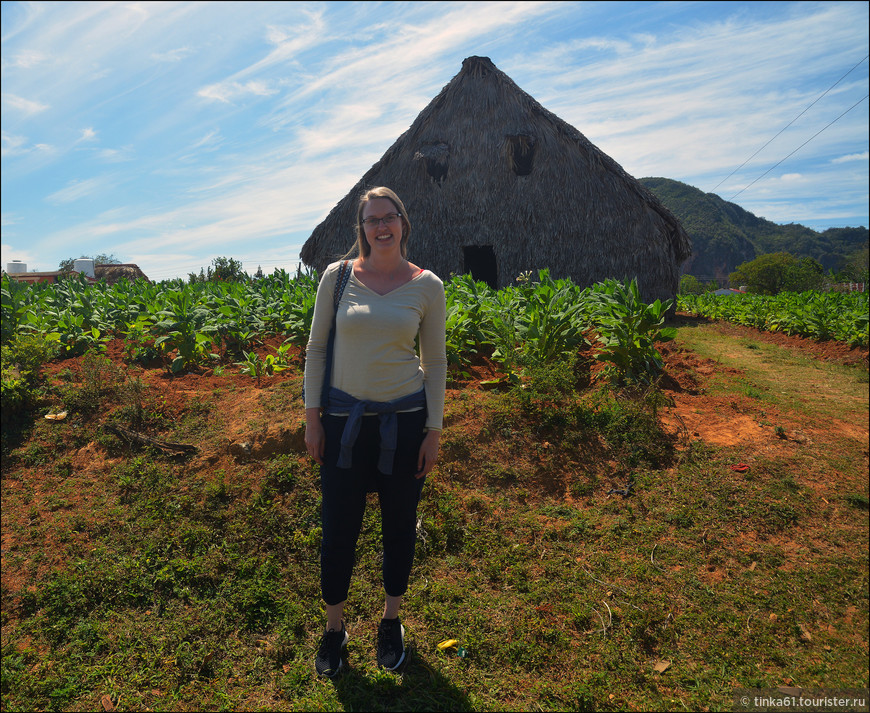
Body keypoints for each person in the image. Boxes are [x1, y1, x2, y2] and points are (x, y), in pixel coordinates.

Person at [303, 186, 447, 678]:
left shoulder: (428, 285)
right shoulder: (338, 278)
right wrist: (313, 418)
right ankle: (334, 628)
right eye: (371, 220)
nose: (381, 226)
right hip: (343, 423)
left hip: (405, 424)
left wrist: (433, 430)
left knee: (399, 528)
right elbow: (316, 349)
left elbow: (436, 363)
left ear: (403, 223)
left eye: (389, 217)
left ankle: (391, 620)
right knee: (338, 529)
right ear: (360, 228)